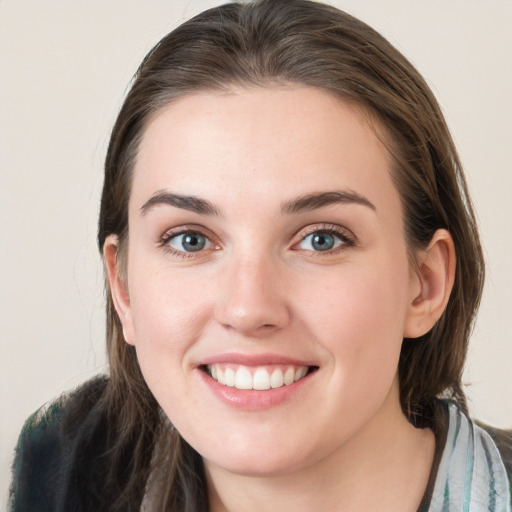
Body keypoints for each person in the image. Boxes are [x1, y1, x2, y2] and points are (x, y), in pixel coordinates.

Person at [9, 0, 512, 511]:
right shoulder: (61, 473)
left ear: (424, 283)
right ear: (123, 288)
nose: (249, 309)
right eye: (190, 240)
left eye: (322, 238)